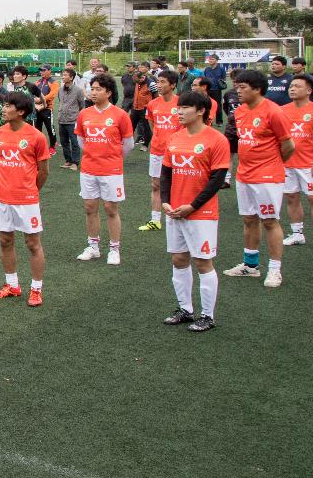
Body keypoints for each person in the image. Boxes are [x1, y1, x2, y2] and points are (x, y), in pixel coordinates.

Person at [160, 91, 231, 332]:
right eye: (178, 107)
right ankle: (185, 310)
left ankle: (207, 316)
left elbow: (217, 179)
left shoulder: (216, 139)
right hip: (174, 211)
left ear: (200, 111)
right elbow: (167, 173)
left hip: (201, 213)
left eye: (185, 108)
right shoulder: (174, 138)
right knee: (179, 259)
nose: (179, 112)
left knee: (202, 262)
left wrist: (192, 206)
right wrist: (165, 201)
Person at [223, 69, 293, 287]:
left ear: (257, 89)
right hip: (244, 174)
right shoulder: (241, 112)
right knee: (249, 219)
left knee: (270, 221)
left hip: (268, 176)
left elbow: (288, 145)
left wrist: (271, 163)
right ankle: (250, 266)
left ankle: (274, 270)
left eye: (243, 87)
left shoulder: (274, 111)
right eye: (237, 86)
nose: (238, 91)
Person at [0, 91, 49, 306]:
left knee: (33, 243)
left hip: (27, 199)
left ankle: (36, 289)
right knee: (5, 241)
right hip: (2, 197)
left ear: (21, 111)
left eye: (8, 106)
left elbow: (43, 171)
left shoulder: (36, 137)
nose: (4, 109)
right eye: (3, 105)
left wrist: (31, 191)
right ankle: (12, 285)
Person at [74, 74, 134, 264]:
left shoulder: (120, 115)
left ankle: (114, 249)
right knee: (90, 207)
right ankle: (93, 247)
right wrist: (94, 153)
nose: (94, 91)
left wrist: (112, 156)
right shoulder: (85, 113)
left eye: (98, 88)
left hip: (111, 170)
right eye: (92, 88)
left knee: (110, 208)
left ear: (108, 92)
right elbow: (81, 140)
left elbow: (128, 144)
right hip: (89, 169)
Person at [280, 75, 313, 251]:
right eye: (291, 86)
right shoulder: (282, 110)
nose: (292, 88)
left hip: (309, 164)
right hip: (287, 164)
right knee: (291, 197)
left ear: (309, 90)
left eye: (297, 86)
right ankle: (297, 234)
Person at [139, 70, 182, 232]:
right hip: (157, 150)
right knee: (156, 185)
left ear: (173, 85)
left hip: (177, 152)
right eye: (159, 81)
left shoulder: (181, 103)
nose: (159, 84)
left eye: (163, 82)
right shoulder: (152, 104)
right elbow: (153, 126)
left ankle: (177, 216)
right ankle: (155, 220)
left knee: (177, 185)